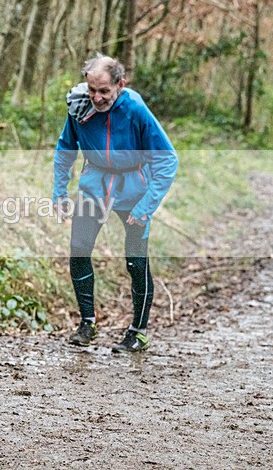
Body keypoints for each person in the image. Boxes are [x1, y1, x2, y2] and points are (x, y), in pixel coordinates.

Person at [52, 53, 178, 353]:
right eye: (92, 89)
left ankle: (138, 331)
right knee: (79, 248)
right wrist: (59, 193)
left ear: (120, 85)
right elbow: (65, 149)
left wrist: (145, 206)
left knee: (135, 260)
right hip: (94, 185)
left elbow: (168, 160)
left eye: (104, 91)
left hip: (134, 189)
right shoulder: (78, 105)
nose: (97, 98)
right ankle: (87, 323)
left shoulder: (135, 109)